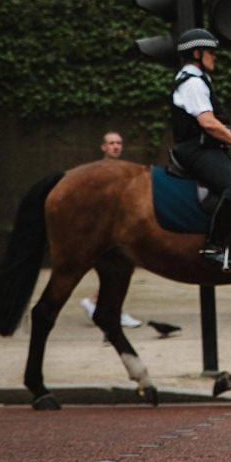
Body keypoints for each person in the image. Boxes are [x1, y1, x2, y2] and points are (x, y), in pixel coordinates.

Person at [169, 28, 231, 272]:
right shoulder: (193, 83)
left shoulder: (198, 79)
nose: (214, 56)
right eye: (210, 52)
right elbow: (207, 123)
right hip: (195, 150)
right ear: (196, 54)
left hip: (206, 148)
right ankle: (214, 247)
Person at [80, 131, 142, 328]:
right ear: (103, 147)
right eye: (111, 143)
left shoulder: (123, 171)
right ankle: (104, 307)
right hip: (102, 232)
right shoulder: (98, 172)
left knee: (118, 271)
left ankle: (102, 306)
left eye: (118, 143)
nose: (115, 146)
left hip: (116, 231)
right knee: (115, 271)